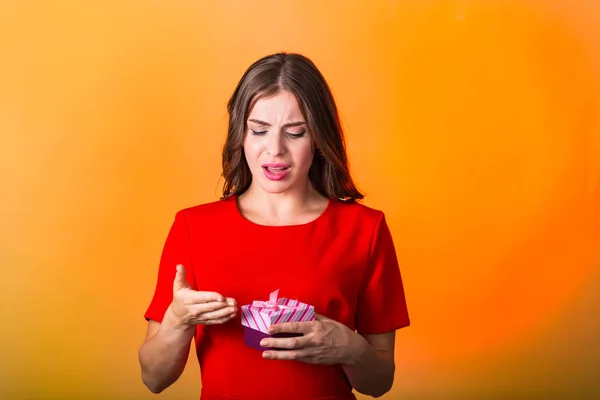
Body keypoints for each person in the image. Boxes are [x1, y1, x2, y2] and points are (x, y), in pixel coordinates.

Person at [138, 52, 410, 400]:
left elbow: (379, 383)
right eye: (259, 130)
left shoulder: (365, 228)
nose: (275, 150)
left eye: (295, 133)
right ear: (241, 135)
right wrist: (177, 319)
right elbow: (154, 379)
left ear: (319, 139)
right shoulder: (193, 227)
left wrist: (350, 349)